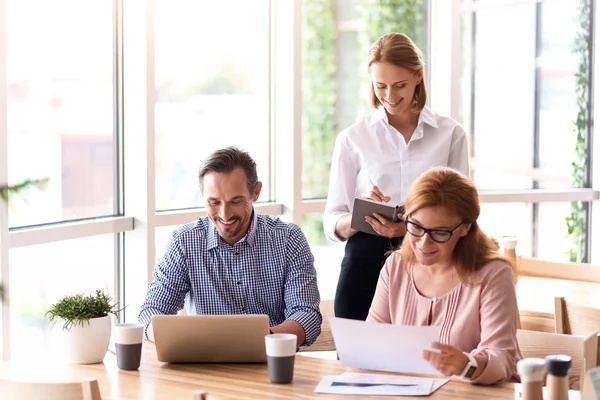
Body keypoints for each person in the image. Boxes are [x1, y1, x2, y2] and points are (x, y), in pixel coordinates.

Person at [324, 32, 469, 321]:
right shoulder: (353, 138)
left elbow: (464, 214)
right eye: (381, 86)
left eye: (400, 85)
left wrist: (408, 230)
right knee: (357, 360)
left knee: (426, 360)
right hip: (364, 266)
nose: (390, 96)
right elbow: (332, 222)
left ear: (418, 76)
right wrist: (359, 212)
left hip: (432, 262)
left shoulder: (450, 135)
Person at [138, 147, 322, 347]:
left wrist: (256, 340)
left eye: (235, 201)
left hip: (271, 360)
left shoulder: (288, 239)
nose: (224, 215)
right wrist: (183, 339)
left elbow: (307, 316)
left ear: (256, 192)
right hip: (203, 362)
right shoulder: (183, 242)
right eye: (214, 202)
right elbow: (151, 313)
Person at [367, 167, 521, 384]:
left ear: (465, 229)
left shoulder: (493, 274)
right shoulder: (396, 265)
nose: (423, 243)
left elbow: (502, 358)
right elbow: (372, 340)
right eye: (416, 227)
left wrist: (465, 365)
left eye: (440, 232)